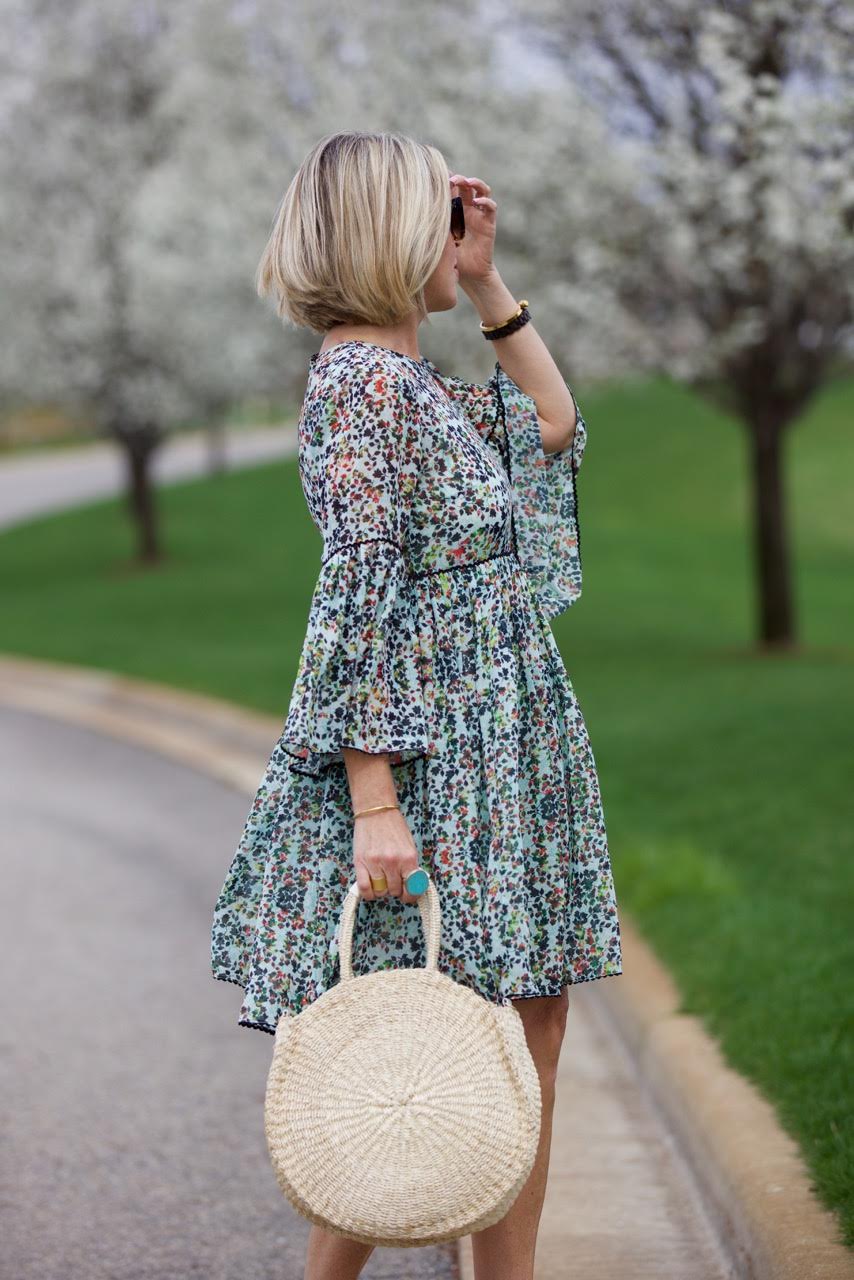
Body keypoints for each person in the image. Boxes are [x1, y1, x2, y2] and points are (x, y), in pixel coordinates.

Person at [210, 129, 622, 1280]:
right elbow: (353, 596)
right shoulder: (360, 389)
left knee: (507, 1036)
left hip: (499, 745)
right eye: (442, 222)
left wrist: (487, 279)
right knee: (422, 1043)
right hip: (438, 760)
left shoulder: (407, 382)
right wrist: (373, 802)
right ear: (391, 233)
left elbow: (548, 425)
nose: (459, 238)